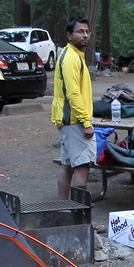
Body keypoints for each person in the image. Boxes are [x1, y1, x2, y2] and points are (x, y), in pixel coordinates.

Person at [51, 17, 95, 200]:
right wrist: (86, 122)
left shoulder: (73, 55)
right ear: (69, 35)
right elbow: (73, 93)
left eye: (87, 32)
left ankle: (63, 211)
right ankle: (79, 217)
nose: (85, 35)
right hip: (75, 120)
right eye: (80, 32)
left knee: (68, 166)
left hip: (68, 120)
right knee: (82, 167)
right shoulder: (70, 58)